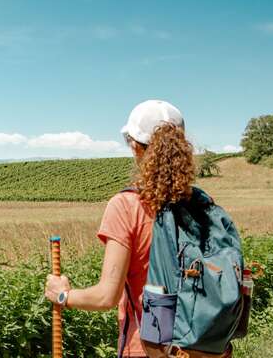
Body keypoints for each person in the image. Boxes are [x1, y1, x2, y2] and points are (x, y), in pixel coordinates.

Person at [44, 100, 232, 358]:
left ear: (135, 146)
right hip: (209, 349)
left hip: (152, 348)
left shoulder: (126, 206)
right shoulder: (203, 204)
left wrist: (62, 294)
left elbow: (105, 297)